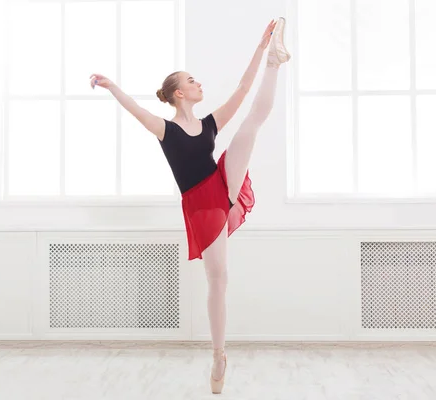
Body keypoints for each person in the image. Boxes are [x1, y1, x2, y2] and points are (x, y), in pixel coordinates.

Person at [90, 17, 290, 394]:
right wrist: (112, 85)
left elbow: (244, 89)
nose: (198, 83)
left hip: (221, 183)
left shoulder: (211, 124)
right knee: (219, 277)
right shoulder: (167, 130)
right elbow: (135, 110)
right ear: (179, 93)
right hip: (200, 204)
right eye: (191, 80)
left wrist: (262, 49)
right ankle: (219, 355)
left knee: (251, 123)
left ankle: (276, 63)